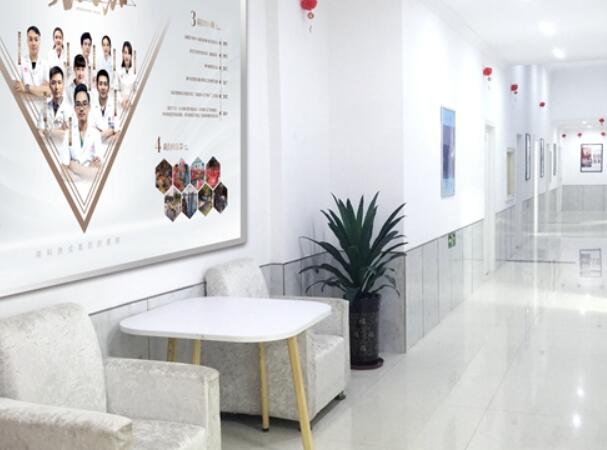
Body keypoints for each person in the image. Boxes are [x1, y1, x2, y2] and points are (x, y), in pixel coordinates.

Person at [64, 84, 103, 180]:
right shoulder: (68, 134)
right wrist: (88, 171)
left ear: (89, 107)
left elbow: (99, 173)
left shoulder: (96, 135)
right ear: (74, 108)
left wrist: (75, 167)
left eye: (84, 104)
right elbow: (64, 169)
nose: (81, 109)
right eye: (78, 104)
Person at [14, 26, 49, 98]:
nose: (33, 43)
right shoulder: (20, 62)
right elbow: (18, 88)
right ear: (27, 42)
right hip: (24, 104)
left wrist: (26, 87)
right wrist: (40, 90)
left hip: (41, 105)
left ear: (39, 42)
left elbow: (48, 91)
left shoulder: (45, 63)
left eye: (36, 40)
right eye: (30, 39)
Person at [43, 66, 71, 146]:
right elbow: (41, 133)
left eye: (59, 82)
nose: (57, 87)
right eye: (53, 83)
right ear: (49, 85)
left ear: (63, 84)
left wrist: (49, 131)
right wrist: (60, 129)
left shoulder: (69, 110)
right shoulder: (44, 109)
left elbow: (68, 136)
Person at [92, 69, 120, 142]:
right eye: (100, 84)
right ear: (97, 86)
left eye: (105, 84)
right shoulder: (92, 106)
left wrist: (103, 134)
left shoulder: (114, 106)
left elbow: (118, 132)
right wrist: (110, 131)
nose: (103, 87)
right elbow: (91, 133)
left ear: (108, 87)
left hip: (111, 145)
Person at [117, 41, 136, 111]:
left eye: (129, 53)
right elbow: (116, 90)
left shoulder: (134, 73)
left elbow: (135, 90)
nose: (127, 56)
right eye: (125, 53)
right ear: (122, 54)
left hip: (131, 106)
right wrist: (122, 101)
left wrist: (131, 101)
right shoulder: (118, 71)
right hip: (120, 107)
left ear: (131, 56)